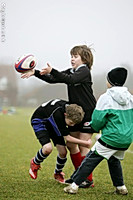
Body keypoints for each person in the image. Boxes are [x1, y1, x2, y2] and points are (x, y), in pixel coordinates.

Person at [21, 45, 97, 187]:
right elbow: (52, 78)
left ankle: (87, 179)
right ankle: (79, 176)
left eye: (75, 56)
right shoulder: (72, 71)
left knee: (83, 146)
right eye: (71, 56)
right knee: (70, 144)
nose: (72, 59)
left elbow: (70, 80)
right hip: (74, 113)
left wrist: (53, 70)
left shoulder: (84, 71)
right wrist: (35, 72)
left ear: (84, 59)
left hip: (88, 113)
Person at [63, 67, 133, 195]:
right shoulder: (130, 97)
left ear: (109, 81)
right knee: (113, 159)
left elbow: (97, 120)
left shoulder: (106, 97)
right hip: (127, 138)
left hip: (111, 137)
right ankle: (121, 188)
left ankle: (73, 186)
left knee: (90, 159)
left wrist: (95, 128)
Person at [29, 99, 92, 183]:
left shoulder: (70, 110)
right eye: (71, 122)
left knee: (63, 152)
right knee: (47, 148)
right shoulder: (57, 115)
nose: (72, 125)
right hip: (40, 122)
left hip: (52, 123)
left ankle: (57, 173)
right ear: (65, 115)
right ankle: (35, 162)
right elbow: (68, 138)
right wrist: (86, 143)